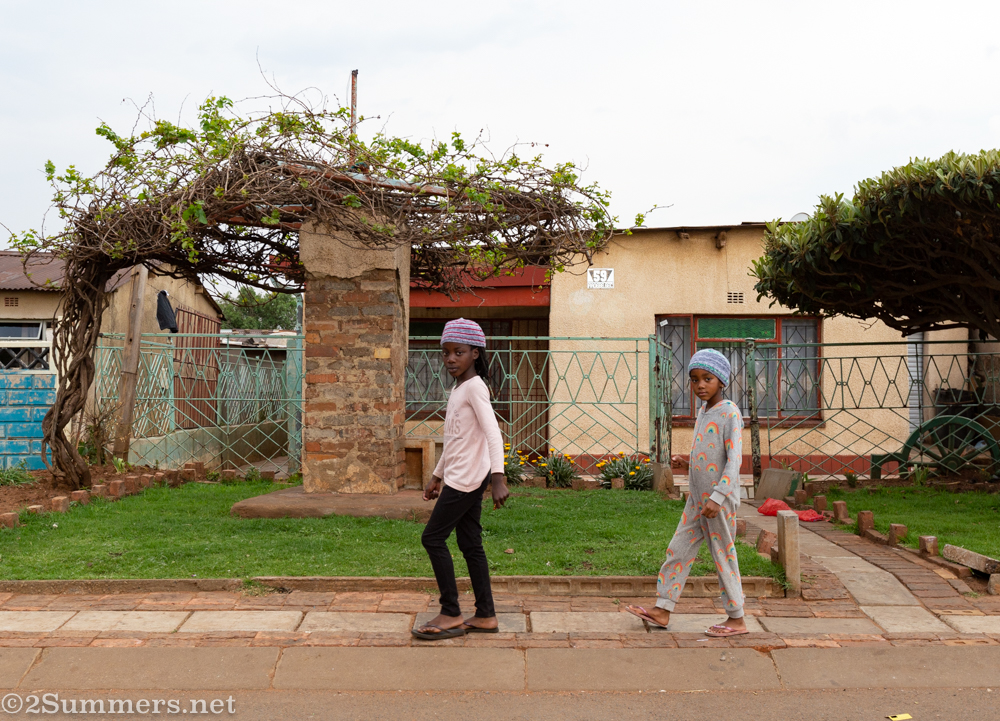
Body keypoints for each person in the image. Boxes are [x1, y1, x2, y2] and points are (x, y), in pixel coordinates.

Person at [626, 348, 748, 637]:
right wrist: (688, 461)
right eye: (694, 380)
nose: (700, 385)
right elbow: (711, 455)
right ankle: (663, 609)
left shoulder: (730, 412)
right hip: (697, 501)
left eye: (707, 378)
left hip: (718, 502)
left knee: (723, 557)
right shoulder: (705, 412)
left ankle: (737, 619)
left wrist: (718, 498)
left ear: (722, 381)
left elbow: (733, 461)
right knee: (678, 549)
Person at [412, 318, 509, 640]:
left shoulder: (475, 388)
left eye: (459, 352)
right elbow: (455, 439)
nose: (451, 359)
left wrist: (499, 477)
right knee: (470, 544)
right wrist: (436, 475)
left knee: (433, 538)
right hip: (457, 475)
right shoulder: (459, 389)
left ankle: (451, 611)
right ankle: (485, 615)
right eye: (446, 353)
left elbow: (493, 433)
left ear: (475, 354)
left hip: (468, 479)